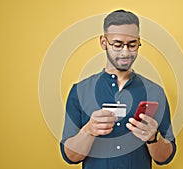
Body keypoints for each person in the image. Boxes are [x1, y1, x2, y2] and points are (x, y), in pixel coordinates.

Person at [60, 9, 176, 169]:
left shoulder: (155, 92)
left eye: (132, 45)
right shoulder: (80, 91)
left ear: (138, 42)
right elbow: (70, 157)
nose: (125, 52)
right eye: (117, 44)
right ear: (103, 43)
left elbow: (165, 158)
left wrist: (153, 138)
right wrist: (88, 130)